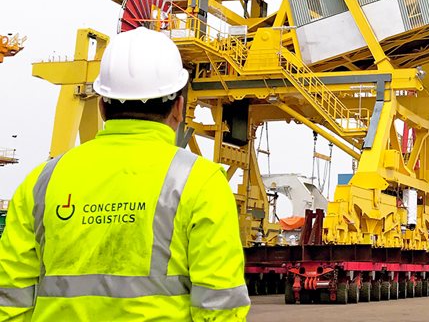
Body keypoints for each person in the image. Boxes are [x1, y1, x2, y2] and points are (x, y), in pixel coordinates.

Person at [0, 27, 250, 320]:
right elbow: (221, 306)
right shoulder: (201, 182)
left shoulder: (42, 181)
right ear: (179, 107)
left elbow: (11, 300)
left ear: (102, 105)